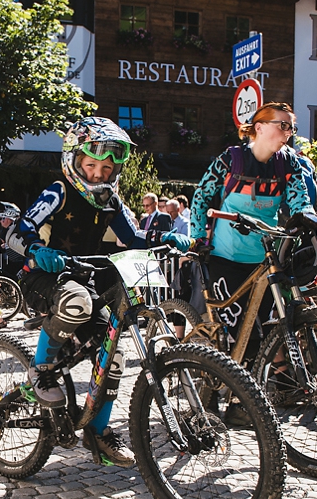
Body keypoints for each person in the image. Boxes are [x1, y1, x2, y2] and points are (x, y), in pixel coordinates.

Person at [12, 117, 191, 467]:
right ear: (75, 162)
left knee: (114, 356)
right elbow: (19, 229)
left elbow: (135, 238)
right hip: (44, 276)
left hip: (87, 277)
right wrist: (37, 250)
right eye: (91, 165)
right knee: (77, 302)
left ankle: (99, 432)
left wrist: (164, 240)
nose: (98, 173)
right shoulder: (58, 191)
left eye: (106, 168)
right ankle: (41, 369)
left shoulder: (111, 200)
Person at [188, 102, 317, 348]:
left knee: (266, 335)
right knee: (244, 338)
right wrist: (197, 237)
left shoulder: (288, 162)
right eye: (283, 125)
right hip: (226, 258)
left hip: (264, 261)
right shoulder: (232, 159)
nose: (288, 132)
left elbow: (300, 197)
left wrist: (307, 214)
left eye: (292, 128)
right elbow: (201, 197)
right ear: (259, 127)